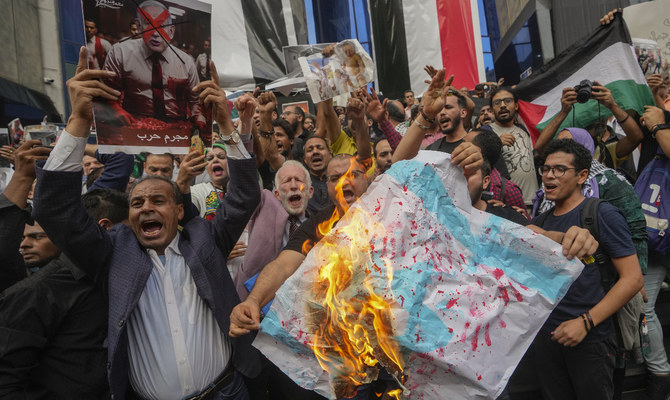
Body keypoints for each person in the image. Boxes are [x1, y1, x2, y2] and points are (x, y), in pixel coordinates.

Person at [31, 46, 261, 400]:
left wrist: (225, 122)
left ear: (179, 211)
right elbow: (54, 209)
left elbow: (244, 194)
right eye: (137, 202)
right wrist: (78, 119)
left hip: (227, 390)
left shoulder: (205, 239)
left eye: (158, 200)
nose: (145, 208)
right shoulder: (111, 253)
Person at [0, 142, 128, 398]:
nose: (25, 244)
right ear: (105, 228)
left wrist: (67, 142)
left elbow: (121, 160)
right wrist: (23, 177)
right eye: (128, 233)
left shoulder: (115, 276)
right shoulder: (34, 293)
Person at [528, 139, 643, 400]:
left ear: (582, 176)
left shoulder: (601, 214)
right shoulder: (541, 221)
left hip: (591, 338)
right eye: (545, 169)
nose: (548, 175)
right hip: (548, 338)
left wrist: (585, 322)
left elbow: (632, 278)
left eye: (559, 169)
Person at [101, 0, 204, 128]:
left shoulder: (186, 61)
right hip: (133, 125)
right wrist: (115, 109)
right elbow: (107, 94)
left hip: (176, 128)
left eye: (162, 26)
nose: (155, 33)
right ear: (138, 27)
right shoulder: (120, 52)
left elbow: (195, 102)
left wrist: (200, 118)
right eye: (148, 24)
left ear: (171, 31)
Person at [487, 87, 538, 206]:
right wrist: (496, 144)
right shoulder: (486, 132)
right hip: (508, 204)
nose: (503, 105)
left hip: (533, 202)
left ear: (516, 106)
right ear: (492, 109)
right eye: (497, 103)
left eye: (507, 101)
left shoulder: (523, 129)